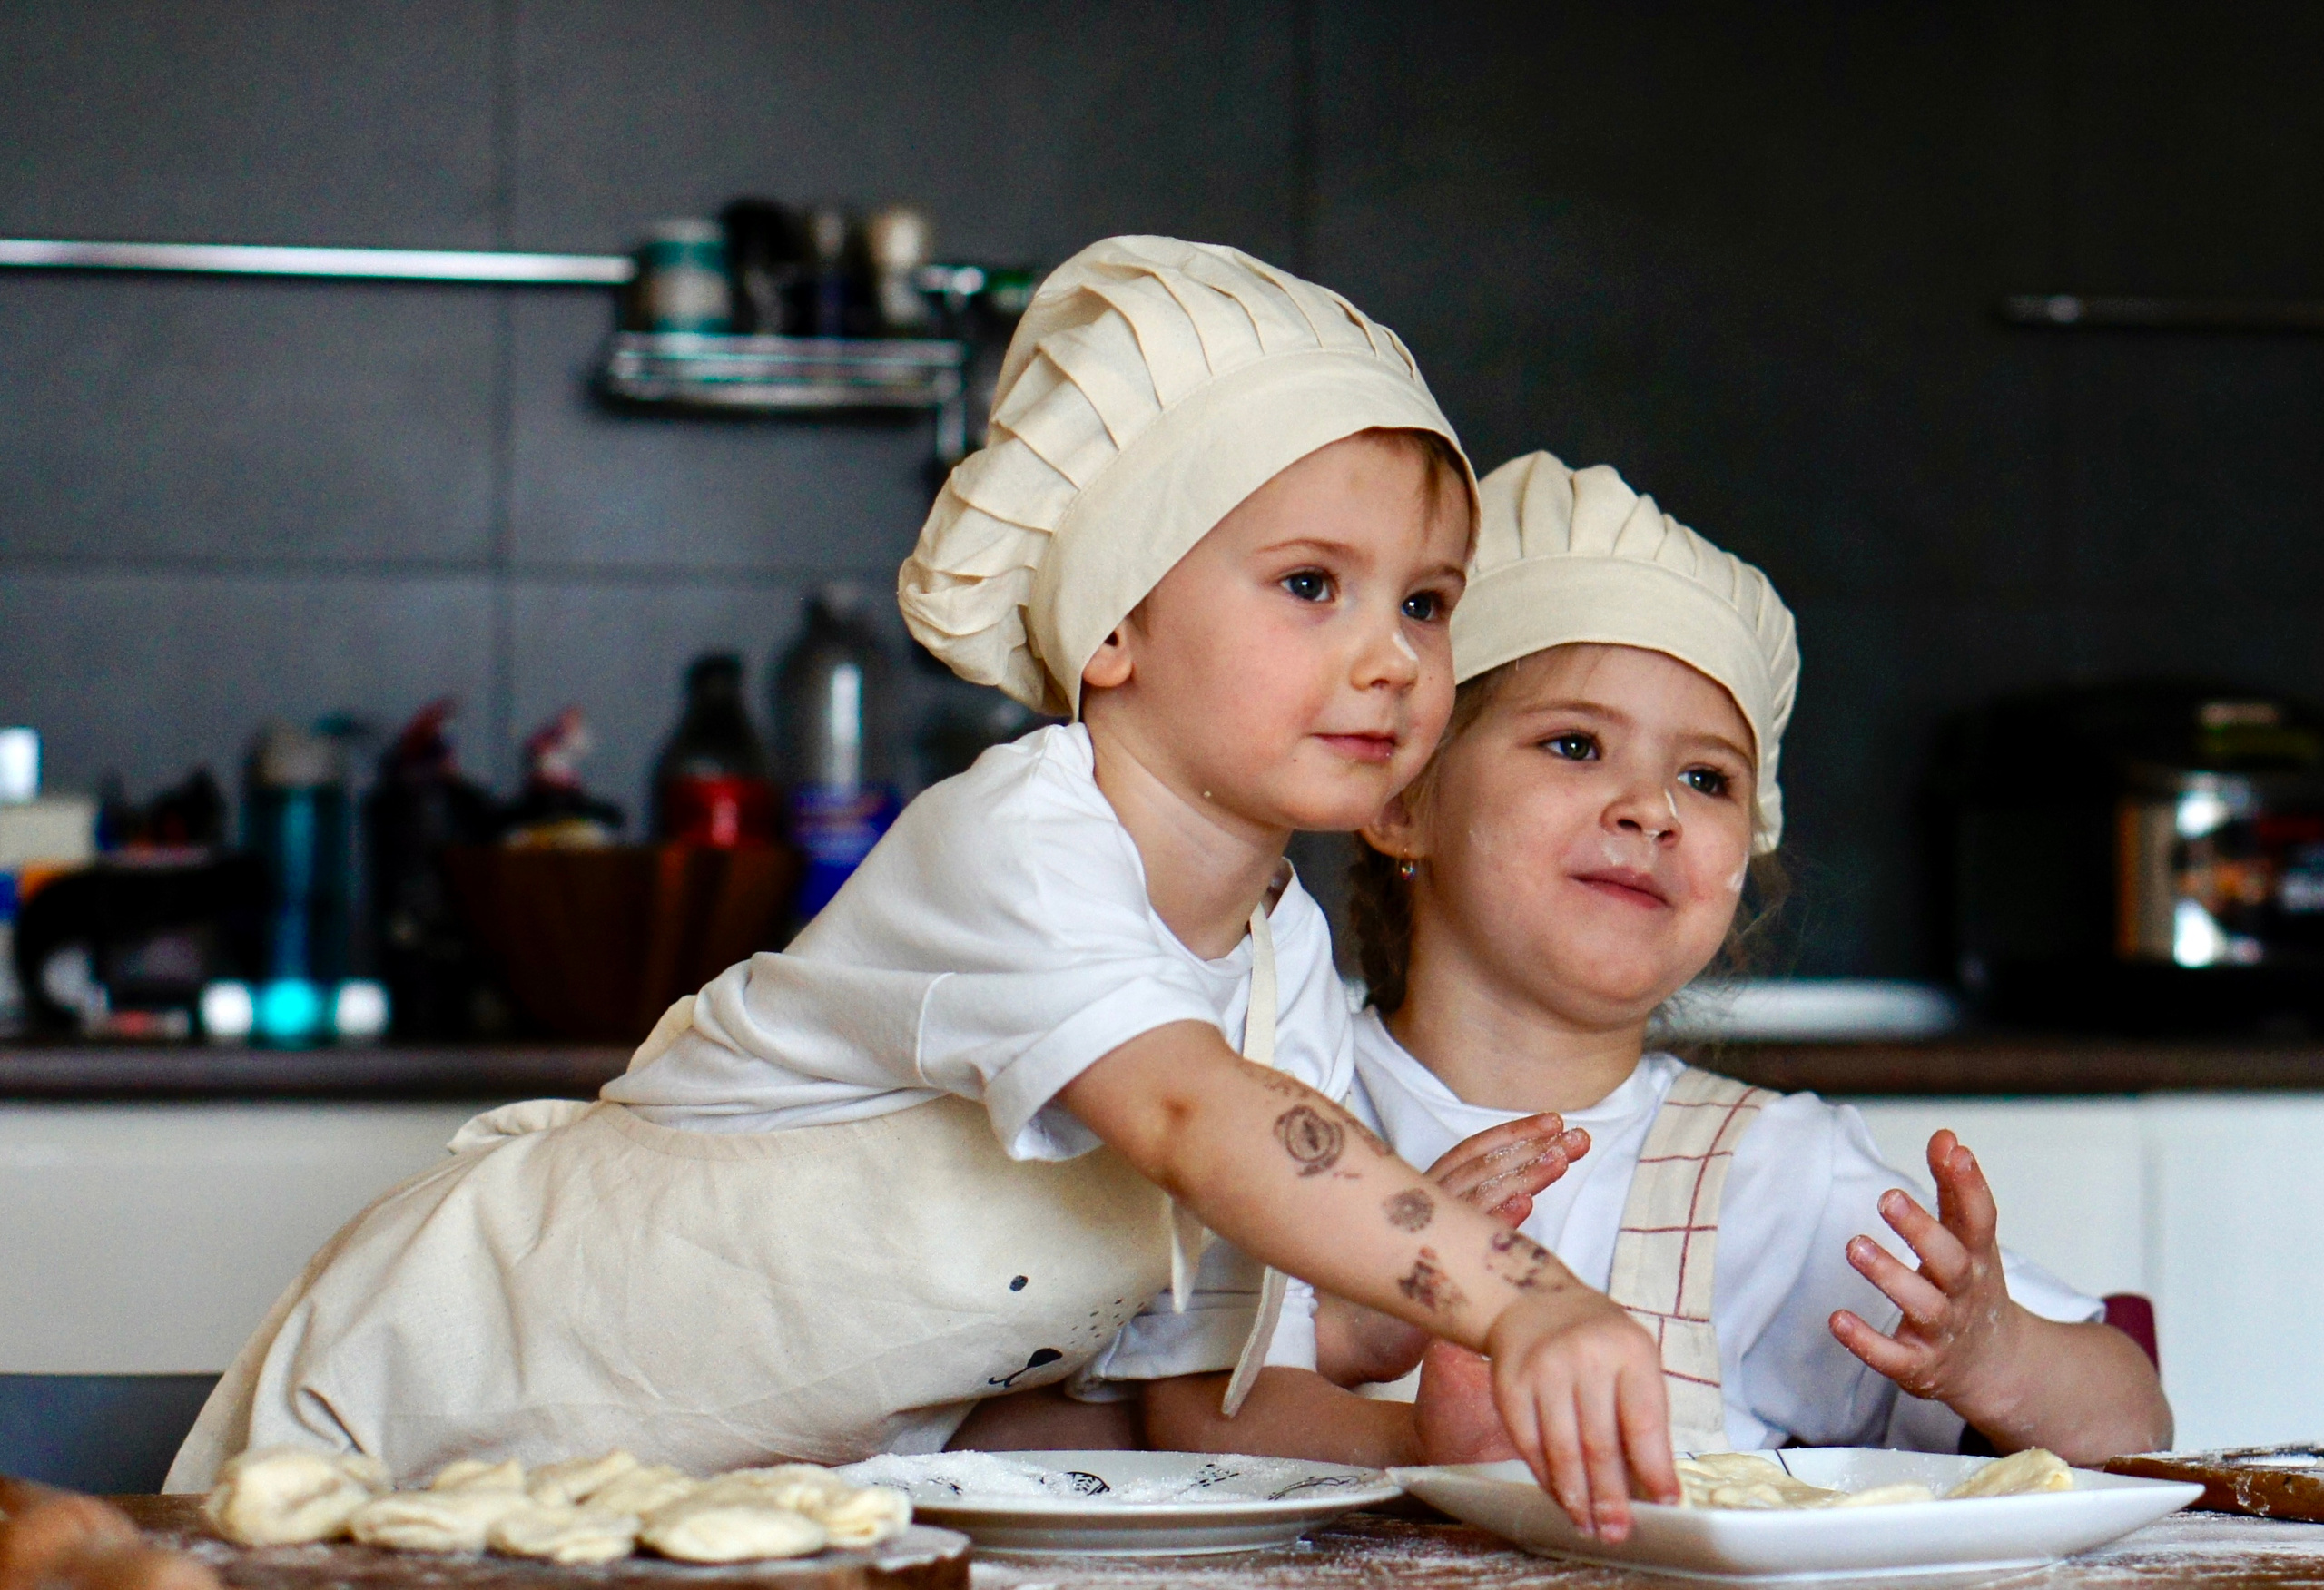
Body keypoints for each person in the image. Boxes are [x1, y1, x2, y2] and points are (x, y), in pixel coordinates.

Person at [167, 246, 1683, 1541]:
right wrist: (1512, 1289)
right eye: (1312, 584)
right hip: (442, 1387)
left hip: (689, 1509)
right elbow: (1193, 1119)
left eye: (1427, 601)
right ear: (1112, 631)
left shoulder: (1278, 970)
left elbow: (1112, 1398)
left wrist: (1408, 1371)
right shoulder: (1023, 840)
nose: (1394, 655)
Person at [1144, 450, 2173, 1473]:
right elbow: (1186, 1426)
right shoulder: (1252, 1098)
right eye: (1576, 746)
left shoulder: (1775, 1178)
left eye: (1706, 777)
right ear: (1404, 800)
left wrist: (1993, 1354)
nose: (1653, 808)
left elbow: (2132, 1421)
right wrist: (1417, 1442)